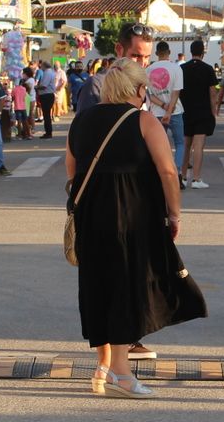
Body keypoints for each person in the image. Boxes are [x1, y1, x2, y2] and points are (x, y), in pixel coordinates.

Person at [67, 60, 206, 398]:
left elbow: (72, 169)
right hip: (131, 215)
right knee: (124, 288)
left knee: (98, 286)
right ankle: (122, 374)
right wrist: (174, 214)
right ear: (140, 89)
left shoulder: (82, 120)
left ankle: (103, 366)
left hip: (90, 215)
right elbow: (168, 171)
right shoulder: (143, 120)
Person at [76, 22, 155, 114]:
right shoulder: (97, 84)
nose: (142, 63)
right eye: (136, 56)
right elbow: (84, 121)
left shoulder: (143, 85)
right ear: (119, 49)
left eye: (147, 57)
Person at [180, 40, 220, 188]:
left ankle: (183, 177)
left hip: (186, 112)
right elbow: (212, 93)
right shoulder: (208, 69)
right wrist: (213, 111)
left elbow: (177, 91)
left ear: (191, 52)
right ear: (203, 52)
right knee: (198, 146)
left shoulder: (182, 68)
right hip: (203, 112)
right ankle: (196, 179)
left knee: (186, 146)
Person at [147, 41, 185, 180]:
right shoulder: (176, 68)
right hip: (175, 111)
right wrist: (169, 111)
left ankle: (161, 172)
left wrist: (163, 106)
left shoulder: (148, 70)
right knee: (180, 143)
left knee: (159, 144)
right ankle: (177, 172)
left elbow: (149, 95)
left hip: (157, 112)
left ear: (156, 53)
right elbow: (176, 92)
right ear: (169, 52)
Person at [34, 59, 60, 138]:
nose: (40, 67)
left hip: (46, 95)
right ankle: (48, 132)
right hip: (48, 95)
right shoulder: (50, 72)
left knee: (46, 114)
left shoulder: (47, 73)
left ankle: (48, 132)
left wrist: (36, 87)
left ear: (44, 66)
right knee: (46, 114)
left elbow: (44, 85)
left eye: (42, 65)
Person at [11, 68, 32, 139]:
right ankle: (28, 134)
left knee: (19, 122)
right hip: (23, 107)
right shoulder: (24, 89)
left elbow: (12, 98)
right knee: (25, 121)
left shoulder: (14, 90)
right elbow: (24, 96)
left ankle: (19, 135)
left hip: (17, 108)